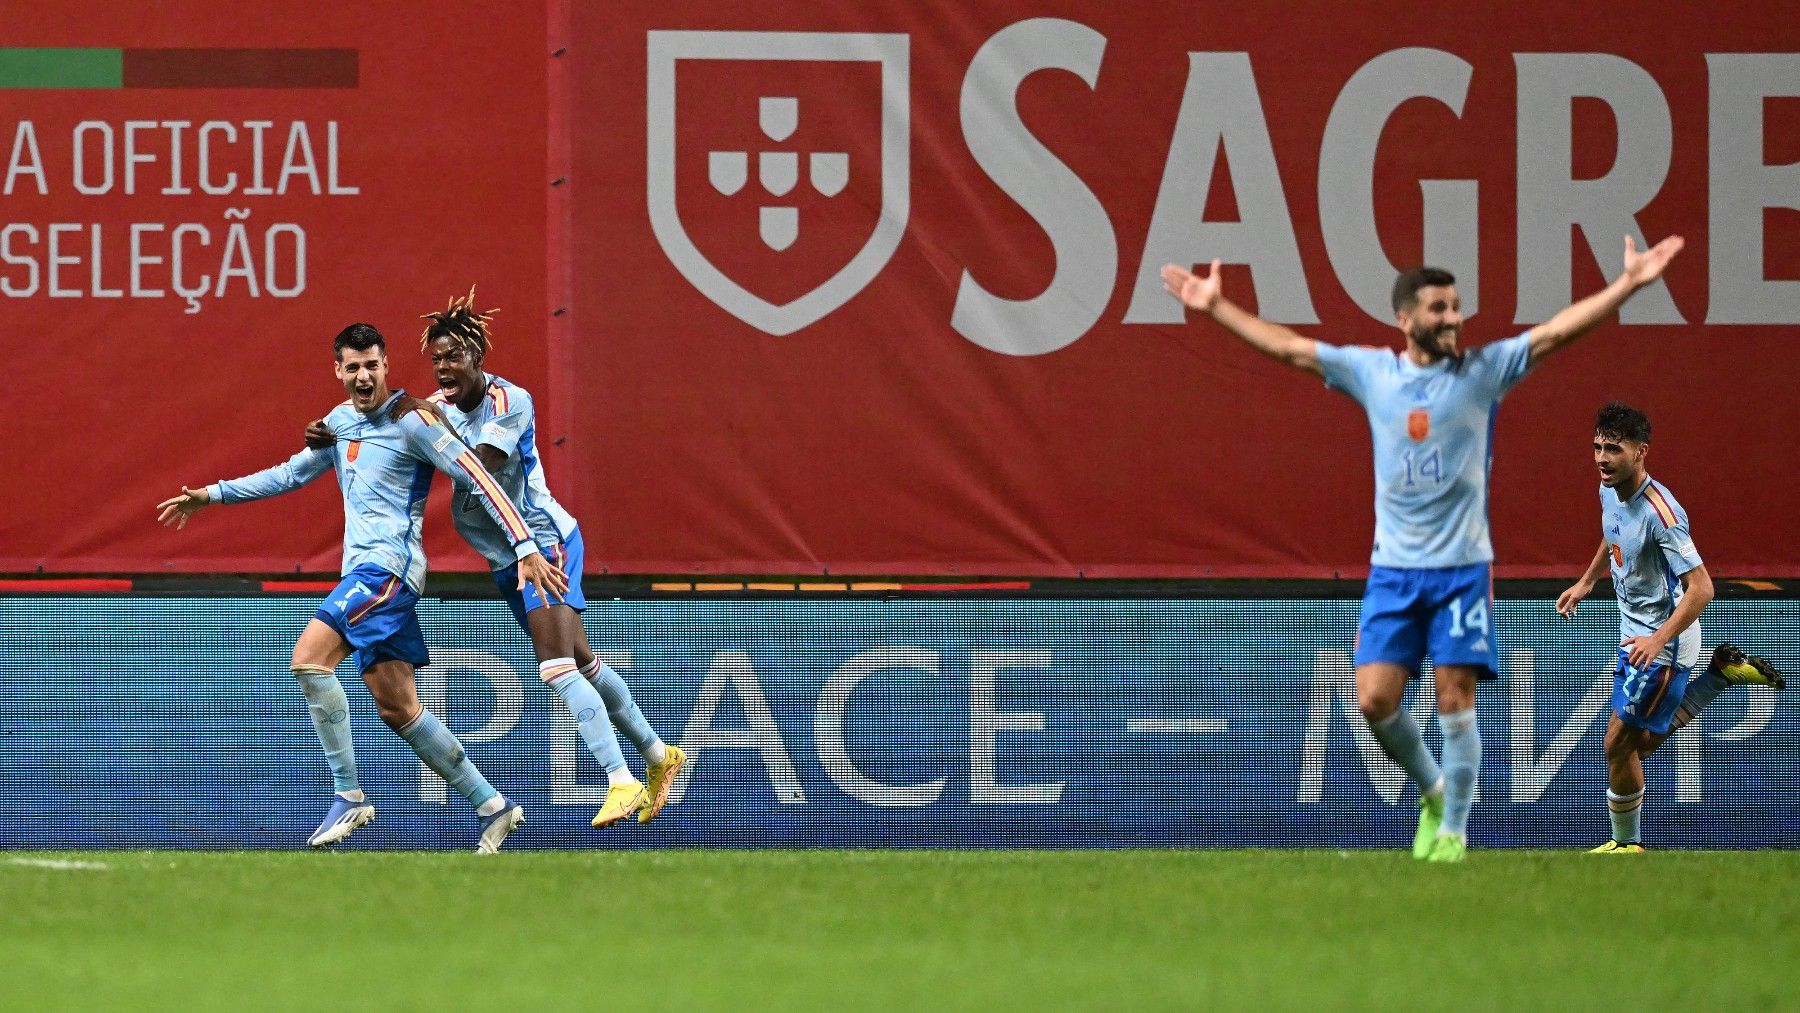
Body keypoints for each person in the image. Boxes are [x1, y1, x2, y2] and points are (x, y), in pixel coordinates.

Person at [1162, 235, 1685, 862]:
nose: (1453, 318)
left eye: (1457, 306)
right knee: (1374, 700)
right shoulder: (1373, 373)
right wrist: (1217, 307)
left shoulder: (1482, 373)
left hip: (1462, 570)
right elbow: (1292, 349)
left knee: (1452, 696)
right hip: (1393, 571)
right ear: (1404, 319)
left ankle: (1453, 832)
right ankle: (1435, 791)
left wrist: (1626, 286)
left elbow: (1553, 334)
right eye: (1438, 308)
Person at [158, 323, 568, 853]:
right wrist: (210, 495)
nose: (363, 375)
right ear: (339, 372)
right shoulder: (337, 424)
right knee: (399, 708)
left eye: (372, 365)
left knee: (308, 660)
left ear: (386, 365)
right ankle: (494, 806)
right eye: (352, 367)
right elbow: (287, 475)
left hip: (387, 572)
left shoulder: (413, 420)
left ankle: (349, 797)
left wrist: (523, 544)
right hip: (367, 573)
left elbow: (475, 471)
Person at [307, 289, 685, 830]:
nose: (444, 367)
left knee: (554, 666)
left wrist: (422, 424)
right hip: (507, 557)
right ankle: (658, 755)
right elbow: (384, 431)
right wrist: (333, 430)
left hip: (542, 542)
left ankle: (620, 780)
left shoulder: (510, 402)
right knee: (580, 660)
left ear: (478, 356)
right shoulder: (431, 410)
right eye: (436, 358)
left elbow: (478, 469)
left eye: (455, 356)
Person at [1554, 401, 1784, 853]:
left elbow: (1702, 588)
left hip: (1666, 642)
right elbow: (1612, 532)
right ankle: (1719, 676)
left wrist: (1657, 640)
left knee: (1618, 745)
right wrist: (1585, 582)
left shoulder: (1664, 513)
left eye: (1614, 449)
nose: (1602, 458)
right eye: (1597, 447)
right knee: (1634, 744)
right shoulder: (1610, 490)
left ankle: (1627, 845)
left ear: (1641, 452)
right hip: (1638, 635)